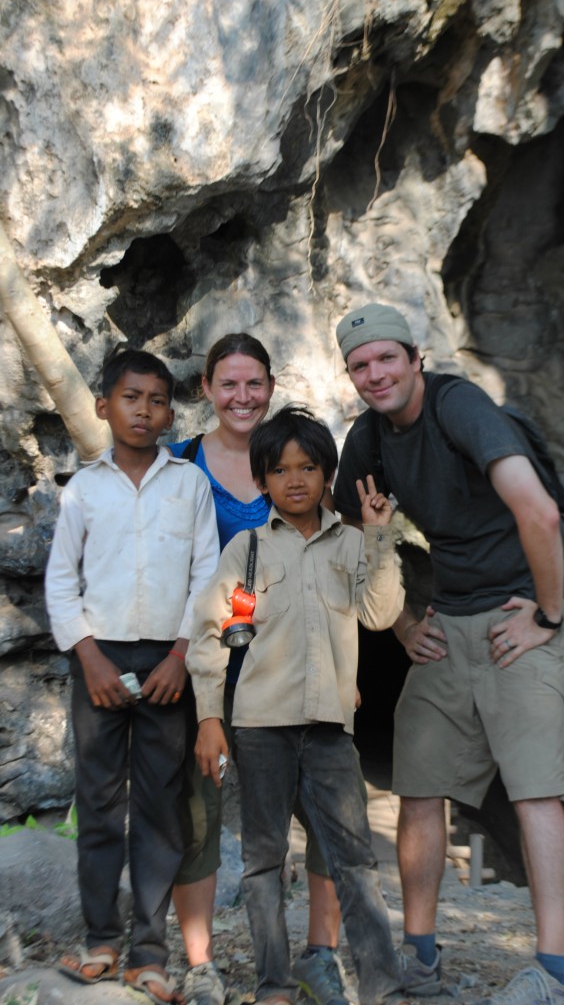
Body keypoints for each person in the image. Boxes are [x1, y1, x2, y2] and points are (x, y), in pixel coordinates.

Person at [333, 304, 564, 1005]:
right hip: (451, 615)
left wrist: (548, 613)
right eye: (359, 365)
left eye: (386, 358)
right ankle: (419, 958)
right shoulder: (370, 438)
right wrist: (404, 622)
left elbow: (538, 512)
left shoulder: (460, 407)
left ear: (415, 359)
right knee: (418, 782)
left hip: (519, 610)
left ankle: (552, 973)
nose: (374, 374)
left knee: (534, 787)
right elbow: (350, 533)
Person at [186, 404, 408, 1005]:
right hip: (261, 729)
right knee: (264, 863)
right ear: (261, 482)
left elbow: (380, 614)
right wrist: (211, 717)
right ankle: (274, 984)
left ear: (326, 474)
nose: (294, 480)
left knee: (355, 861)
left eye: (308, 467)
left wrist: (381, 534)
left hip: (332, 730)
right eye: (280, 470)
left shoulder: (351, 546)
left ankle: (384, 985)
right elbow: (209, 636)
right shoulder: (248, 554)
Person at [168, 335, 356, 1005]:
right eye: (228, 384)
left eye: (254, 384)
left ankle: (320, 954)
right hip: (212, 665)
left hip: (295, 670)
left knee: (328, 818)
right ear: (206, 390)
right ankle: (201, 964)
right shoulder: (181, 464)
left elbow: (337, 569)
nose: (241, 397)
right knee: (202, 814)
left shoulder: (297, 459)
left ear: (270, 387)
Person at [45, 349, 220, 1005]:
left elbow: (207, 577)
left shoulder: (189, 485)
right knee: (97, 805)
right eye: (130, 397)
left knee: (160, 807)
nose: (143, 410)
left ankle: (150, 951)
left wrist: (180, 656)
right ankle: (101, 941)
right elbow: (62, 582)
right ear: (102, 407)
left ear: (171, 411)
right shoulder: (83, 490)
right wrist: (89, 659)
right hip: (97, 658)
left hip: (168, 664)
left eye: (155, 399)